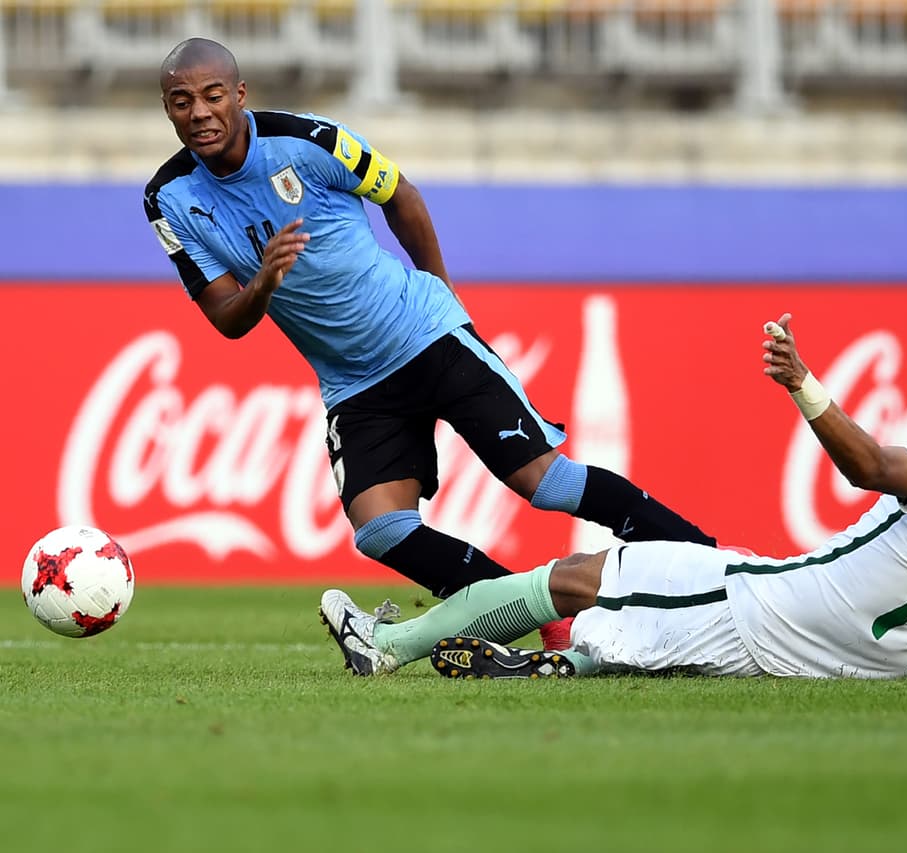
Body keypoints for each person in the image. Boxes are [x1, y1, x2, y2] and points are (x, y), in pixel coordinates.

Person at [318, 313, 907, 681]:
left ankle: (388, 648)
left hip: (768, 603)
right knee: (620, 622)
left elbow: (869, 468)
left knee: (575, 576)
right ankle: (547, 673)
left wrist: (805, 386)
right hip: (842, 661)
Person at [143, 38, 715, 649]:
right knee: (381, 529)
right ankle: (543, 611)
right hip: (354, 383)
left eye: (211, 96)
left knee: (543, 483)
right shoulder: (168, 198)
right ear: (168, 109)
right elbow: (228, 318)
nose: (199, 113)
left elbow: (402, 197)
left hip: (424, 333)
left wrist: (441, 293)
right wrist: (264, 279)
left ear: (239, 95)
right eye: (182, 102)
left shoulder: (311, 142)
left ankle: (711, 563)